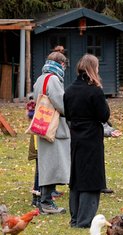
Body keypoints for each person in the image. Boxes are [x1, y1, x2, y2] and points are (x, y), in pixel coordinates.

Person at [64, 54, 110, 228]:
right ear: (93, 68)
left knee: (76, 176)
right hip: (91, 137)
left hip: (76, 135)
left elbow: (67, 114)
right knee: (90, 177)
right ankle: (84, 220)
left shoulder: (69, 90)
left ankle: (75, 217)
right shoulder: (95, 90)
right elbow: (104, 115)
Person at [33, 51, 70, 214]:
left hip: (42, 124)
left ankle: (42, 200)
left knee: (46, 164)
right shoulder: (53, 79)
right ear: (62, 64)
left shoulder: (40, 78)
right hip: (54, 127)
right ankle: (46, 202)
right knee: (52, 165)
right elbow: (61, 104)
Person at [100, 121, 122, 194]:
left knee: (99, 163)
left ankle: (101, 186)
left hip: (96, 141)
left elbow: (103, 125)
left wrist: (112, 131)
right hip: (80, 139)